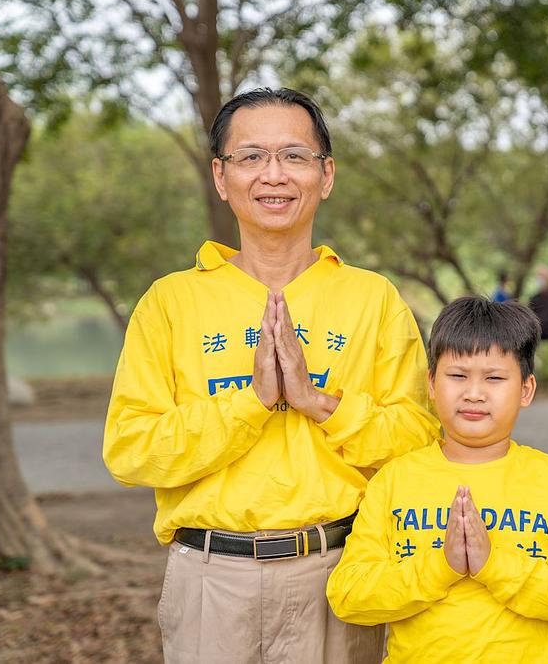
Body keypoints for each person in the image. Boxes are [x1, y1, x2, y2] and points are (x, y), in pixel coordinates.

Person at [102, 88, 440, 663]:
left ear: (326, 175)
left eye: (295, 156)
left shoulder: (372, 299)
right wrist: (251, 403)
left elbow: (418, 439)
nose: (273, 175)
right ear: (220, 175)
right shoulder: (171, 302)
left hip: (338, 568)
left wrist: (320, 403)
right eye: (251, 156)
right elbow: (130, 450)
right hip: (210, 576)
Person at [326, 296, 548, 662]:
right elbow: (348, 595)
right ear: (432, 384)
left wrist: (494, 565)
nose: (474, 393)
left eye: (495, 378)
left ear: (526, 389)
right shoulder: (395, 479)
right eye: (458, 376)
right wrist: (441, 566)